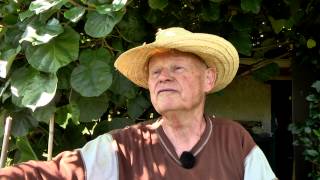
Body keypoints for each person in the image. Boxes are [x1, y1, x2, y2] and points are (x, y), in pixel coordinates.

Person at [0, 27, 277, 180]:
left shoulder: (234, 140)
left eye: (177, 68)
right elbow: (55, 175)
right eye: (156, 72)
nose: (163, 78)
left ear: (208, 79)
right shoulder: (122, 147)